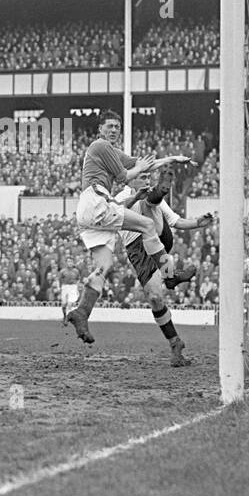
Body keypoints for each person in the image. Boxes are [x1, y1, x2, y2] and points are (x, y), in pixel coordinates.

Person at [65, 110, 192, 344]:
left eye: (117, 126)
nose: (114, 130)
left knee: (104, 265)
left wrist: (172, 159)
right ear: (100, 129)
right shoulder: (100, 145)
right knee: (146, 225)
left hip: (89, 208)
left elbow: (143, 166)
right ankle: (170, 276)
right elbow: (126, 176)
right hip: (97, 201)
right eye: (109, 126)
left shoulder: (111, 152)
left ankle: (81, 312)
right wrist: (137, 168)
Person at [117, 167, 214, 366]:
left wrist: (198, 222)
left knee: (150, 202)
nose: (145, 179)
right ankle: (175, 344)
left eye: (147, 176)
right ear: (130, 181)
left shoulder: (149, 196)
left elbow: (176, 221)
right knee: (154, 299)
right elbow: (116, 213)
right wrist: (136, 197)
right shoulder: (120, 197)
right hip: (136, 249)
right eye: (142, 177)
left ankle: (171, 276)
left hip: (159, 238)